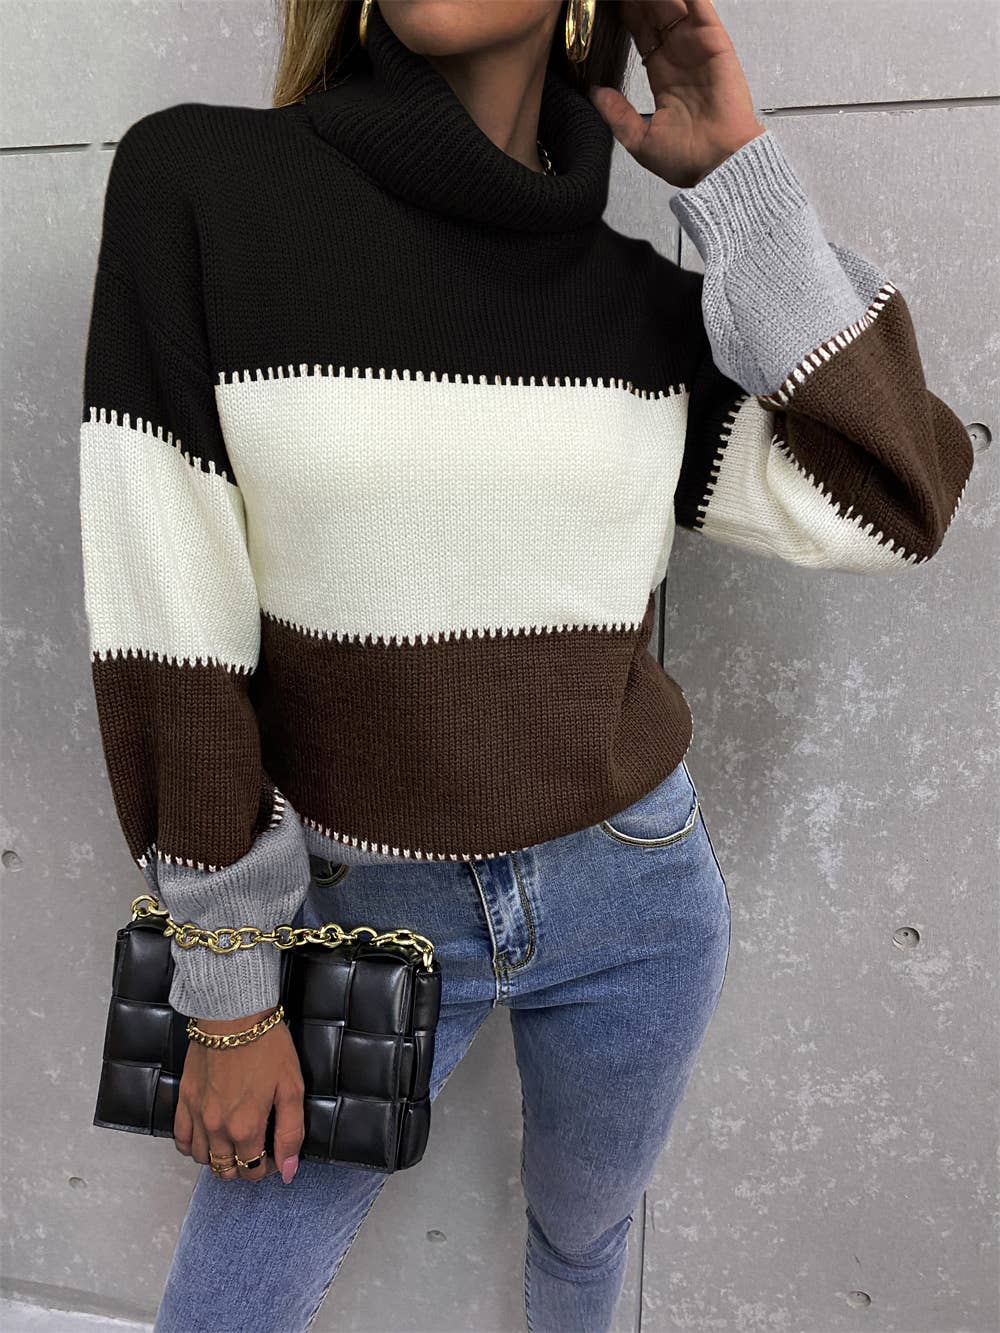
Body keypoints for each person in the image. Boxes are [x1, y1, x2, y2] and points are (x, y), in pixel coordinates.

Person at [77, 0, 974, 1329]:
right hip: (353, 903)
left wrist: (741, 184)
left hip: (636, 892)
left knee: (583, 1239)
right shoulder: (205, 188)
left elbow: (899, 492)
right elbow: (170, 638)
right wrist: (226, 996)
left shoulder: (636, 308)